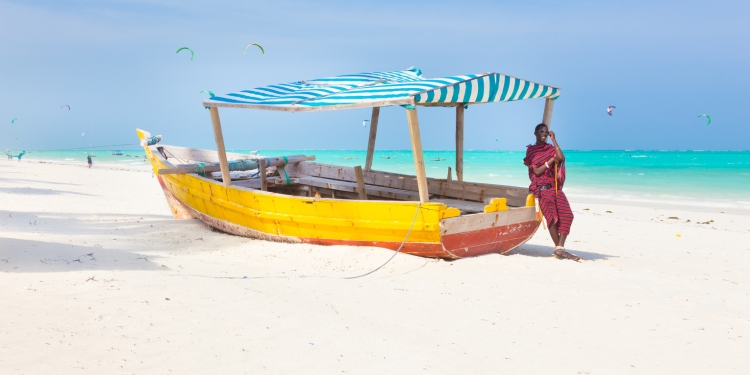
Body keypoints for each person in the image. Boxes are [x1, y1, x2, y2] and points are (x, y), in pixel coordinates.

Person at [523, 123, 579, 261]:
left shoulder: (550, 148)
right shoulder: (531, 151)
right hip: (542, 190)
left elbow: (561, 157)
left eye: (546, 131)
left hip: (555, 189)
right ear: (535, 133)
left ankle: (559, 248)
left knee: (567, 216)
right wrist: (550, 161)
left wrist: (554, 140)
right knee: (552, 219)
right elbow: (536, 171)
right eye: (541, 131)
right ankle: (560, 250)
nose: (544, 133)